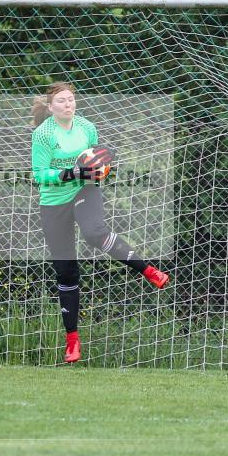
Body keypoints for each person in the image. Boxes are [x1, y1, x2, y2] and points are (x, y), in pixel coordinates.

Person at [30, 82, 170, 364]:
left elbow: (98, 161)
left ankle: (149, 271)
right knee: (66, 272)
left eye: (71, 99)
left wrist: (99, 170)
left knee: (95, 232)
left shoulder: (86, 127)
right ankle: (72, 341)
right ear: (51, 107)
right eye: (61, 101)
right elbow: (40, 175)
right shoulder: (43, 135)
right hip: (54, 202)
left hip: (85, 190)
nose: (68, 104)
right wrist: (71, 172)